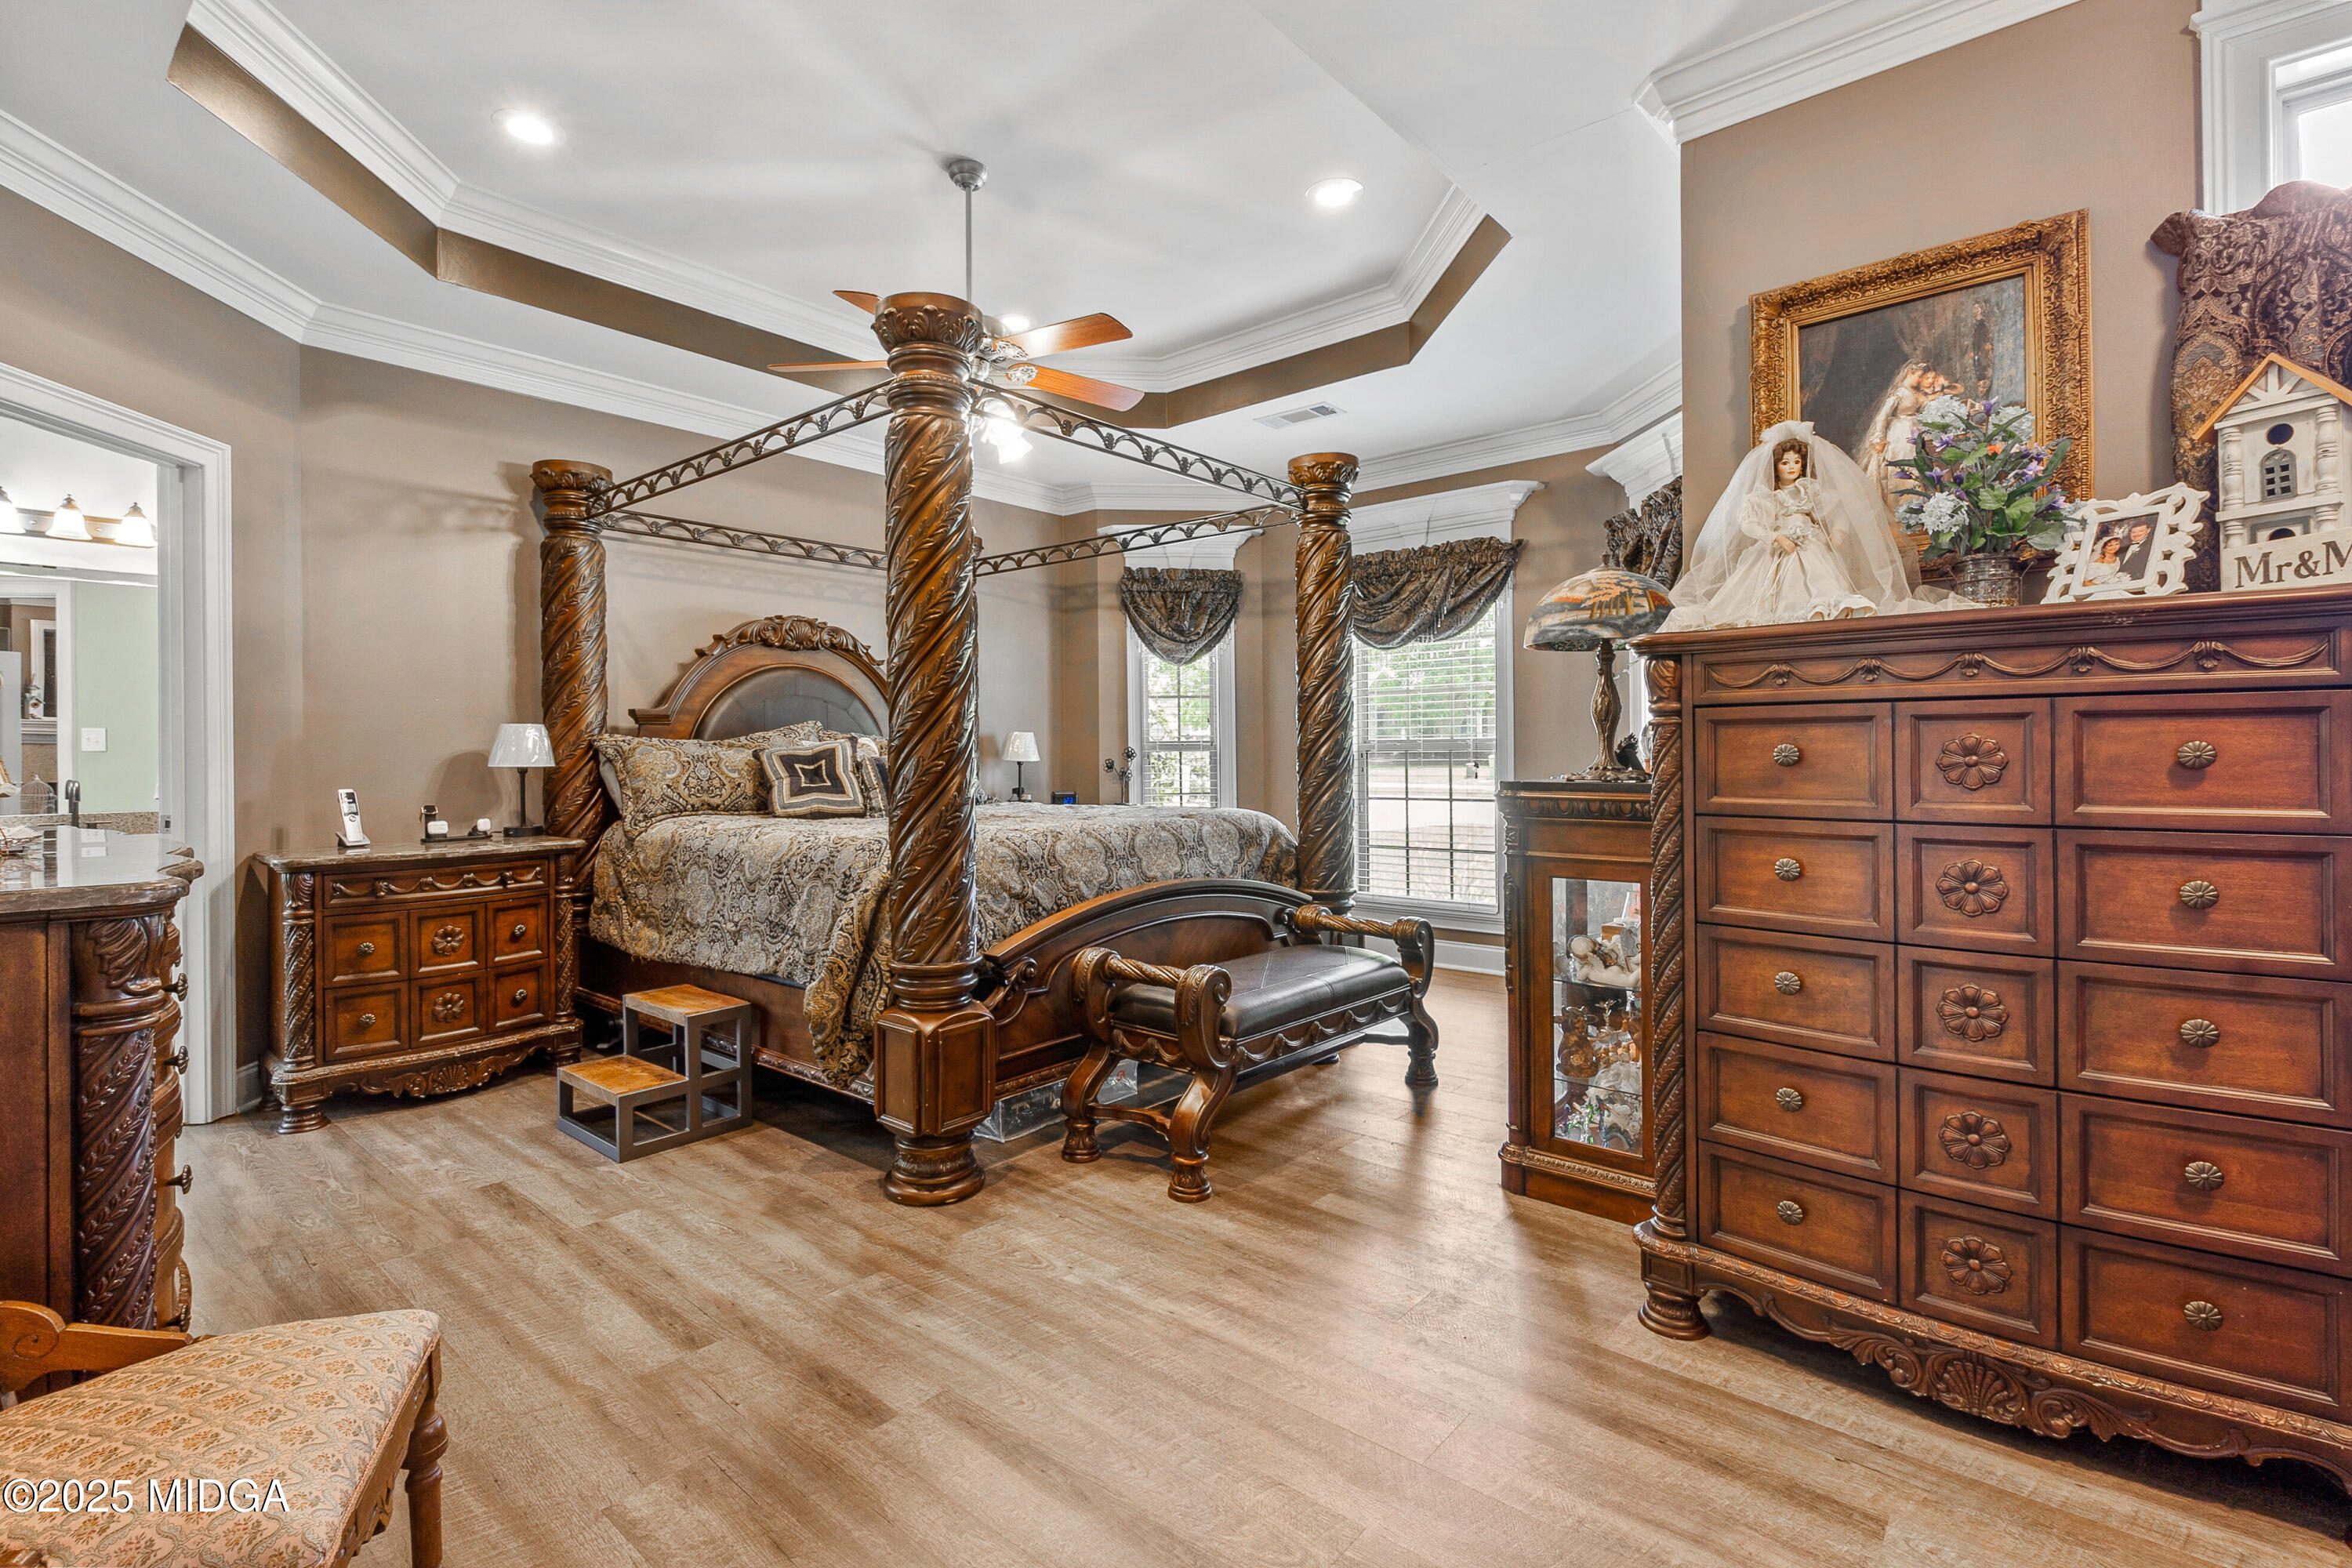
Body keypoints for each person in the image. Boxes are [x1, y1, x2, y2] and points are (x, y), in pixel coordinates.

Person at [1663, 422, 1964, 630]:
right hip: (1778, 549)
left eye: (1796, 462)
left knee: (1821, 581)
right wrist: (1774, 536)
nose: (1792, 467)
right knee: (1769, 594)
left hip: (1813, 544)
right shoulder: (1764, 497)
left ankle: (1820, 611)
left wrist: (1840, 531)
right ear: (1775, 466)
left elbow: (1838, 510)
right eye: (1785, 463)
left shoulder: (1811, 491)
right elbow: (1749, 523)